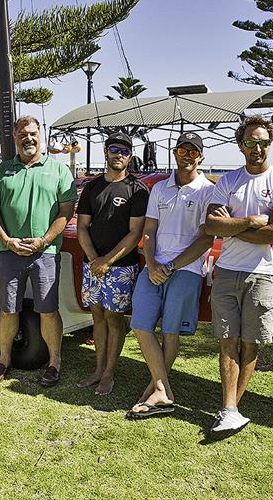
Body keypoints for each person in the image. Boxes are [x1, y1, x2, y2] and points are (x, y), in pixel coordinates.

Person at [204, 115, 273, 435]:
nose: (256, 148)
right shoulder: (228, 181)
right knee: (226, 341)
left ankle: (231, 407)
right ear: (240, 145)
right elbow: (210, 226)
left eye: (262, 142)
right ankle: (229, 408)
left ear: (269, 144)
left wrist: (233, 225)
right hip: (228, 271)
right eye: (249, 142)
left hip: (263, 274)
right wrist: (251, 222)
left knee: (250, 343)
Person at [126, 131, 215, 419]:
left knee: (170, 332)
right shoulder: (160, 189)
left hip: (186, 270)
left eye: (192, 152)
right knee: (140, 324)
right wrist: (152, 265)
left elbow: (205, 239)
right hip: (154, 268)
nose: (186, 156)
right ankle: (162, 388)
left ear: (200, 156)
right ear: (175, 153)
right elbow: (148, 231)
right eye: (182, 150)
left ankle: (155, 389)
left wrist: (172, 266)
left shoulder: (208, 191)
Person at [0, 115, 77, 386]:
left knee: (48, 309)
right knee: (7, 309)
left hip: (45, 253)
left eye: (33, 133)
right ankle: (4, 359)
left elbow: (65, 212)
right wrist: (7, 240)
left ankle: (54, 361)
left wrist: (44, 240)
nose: (29, 138)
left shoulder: (59, 170)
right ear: (15, 137)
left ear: (41, 136)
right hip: (9, 251)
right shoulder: (2, 171)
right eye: (23, 134)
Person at [76, 131, 149, 396]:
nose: (119, 155)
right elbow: (83, 226)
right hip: (92, 263)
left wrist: (107, 260)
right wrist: (94, 259)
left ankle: (109, 374)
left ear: (130, 157)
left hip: (121, 266)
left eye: (125, 151)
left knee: (114, 318)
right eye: (115, 149)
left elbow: (135, 233)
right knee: (97, 314)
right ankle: (97, 369)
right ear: (106, 152)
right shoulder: (92, 187)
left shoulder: (137, 190)